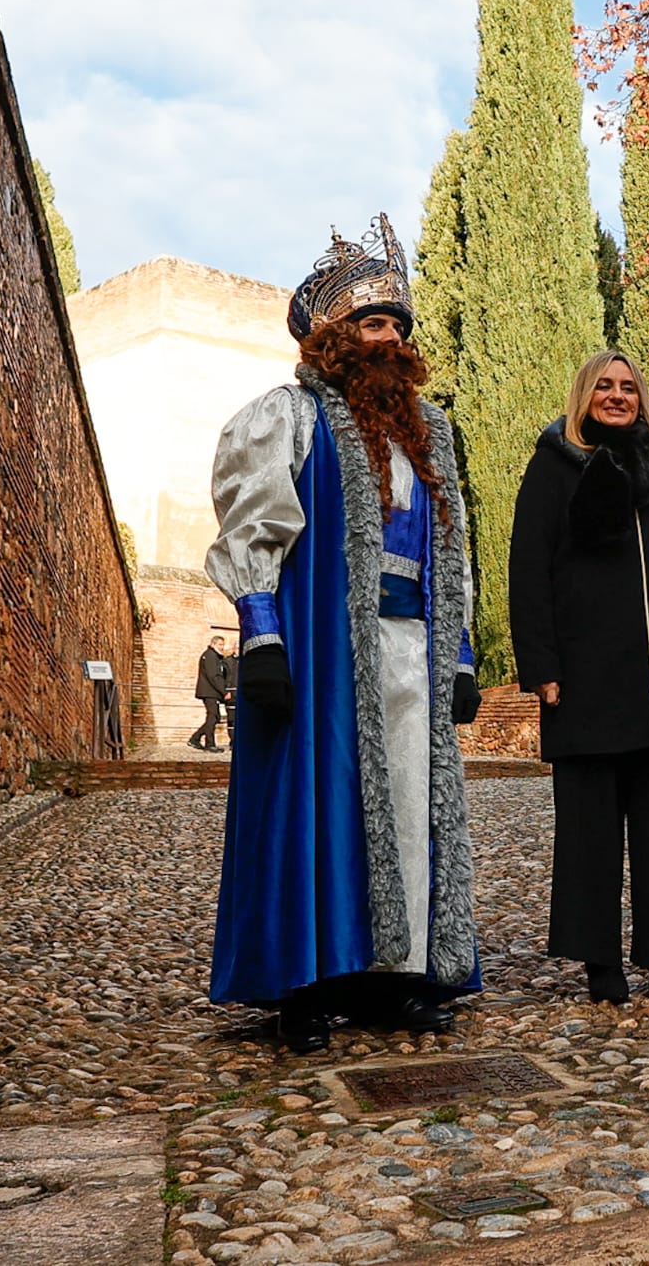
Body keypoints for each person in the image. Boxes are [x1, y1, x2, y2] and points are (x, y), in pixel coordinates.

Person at [205, 214, 485, 1053]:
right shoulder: (289, 418)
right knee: (313, 805)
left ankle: (390, 976)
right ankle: (305, 982)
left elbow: (454, 546)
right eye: (373, 323)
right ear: (332, 336)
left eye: (399, 324)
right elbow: (253, 527)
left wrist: (461, 652)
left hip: (412, 648)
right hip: (325, 645)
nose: (390, 337)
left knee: (406, 807)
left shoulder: (430, 432)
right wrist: (262, 636)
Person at [509, 351, 649, 1003]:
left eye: (628, 386)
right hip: (583, 679)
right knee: (590, 831)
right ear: (584, 394)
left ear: (642, 398)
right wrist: (540, 665)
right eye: (605, 384)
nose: (617, 394)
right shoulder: (552, 467)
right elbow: (528, 568)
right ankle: (599, 960)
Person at [188, 635, 230, 751]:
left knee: (214, 717)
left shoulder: (214, 656)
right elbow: (214, 676)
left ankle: (195, 739)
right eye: (220, 645)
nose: (222, 647)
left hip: (211, 691)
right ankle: (209, 744)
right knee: (213, 716)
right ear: (213, 644)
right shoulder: (210, 656)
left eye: (223, 645)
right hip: (210, 692)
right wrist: (224, 691)